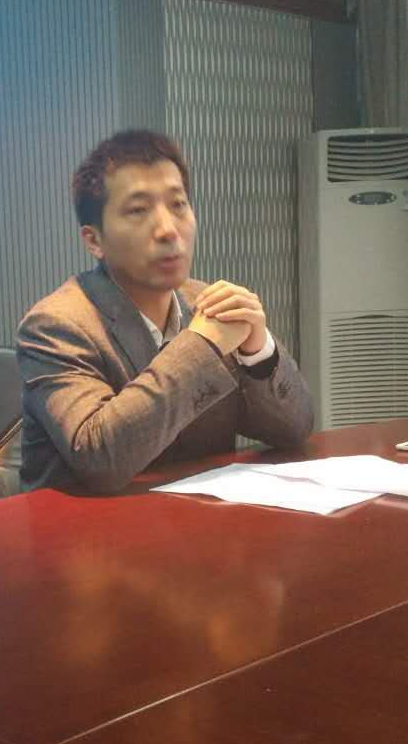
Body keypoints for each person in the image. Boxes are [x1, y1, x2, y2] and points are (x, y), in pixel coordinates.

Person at [16, 129, 313, 492]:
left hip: (198, 516)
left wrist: (259, 352)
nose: (168, 230)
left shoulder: (207, 301)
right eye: (138, 210)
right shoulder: (56, 325)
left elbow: (295, 430)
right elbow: (101, 459)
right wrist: (203, 345)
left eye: (178, 204)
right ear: (94, 240)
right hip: (88, 525)